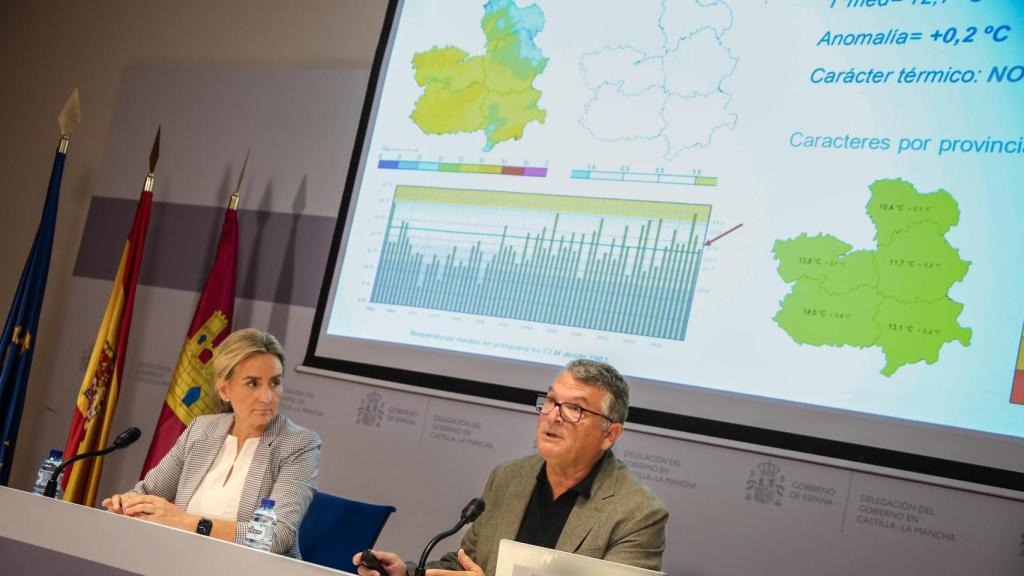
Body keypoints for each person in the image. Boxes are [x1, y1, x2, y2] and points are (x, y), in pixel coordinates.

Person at [355, 359, 668, 576]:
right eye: (551, 401)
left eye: (574, 409)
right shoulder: (508, 478)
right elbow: (468, 564)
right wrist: (409, 572)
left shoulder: (637, 514)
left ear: (609, 434)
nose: (553, 415)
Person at [101, 328, 320, 557]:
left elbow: (276, 537)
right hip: (181, 561)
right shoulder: (202, 429)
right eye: (252, 383)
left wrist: (186, 522)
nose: (266, 397)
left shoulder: (299, 444)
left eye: (275, 383)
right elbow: (146, 492)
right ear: (225, 390)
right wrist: (127, 505)